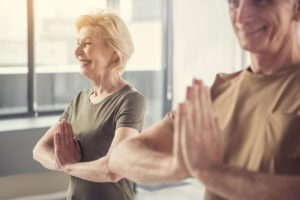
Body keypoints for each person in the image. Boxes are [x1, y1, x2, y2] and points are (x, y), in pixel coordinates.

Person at [109, 0, 300, 199]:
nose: (242, 17)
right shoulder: (217, 92)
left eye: (260, 2)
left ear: (296, 8)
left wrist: (212, 172)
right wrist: (180, 166)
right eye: (234, 3)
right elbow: (121, 155)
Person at [33, 9, 146, 200]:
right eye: (77, 44)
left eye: (86, 44)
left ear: (114, 52)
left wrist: (70, 166)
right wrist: (61, 162)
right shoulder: (79, 100)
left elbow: (114, 169)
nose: (77, 52)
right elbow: (40, 149)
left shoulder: (130, 100)